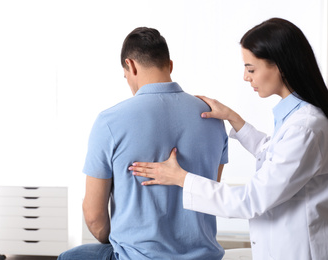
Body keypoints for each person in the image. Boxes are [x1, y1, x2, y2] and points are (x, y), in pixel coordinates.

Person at [129, 18, 328, 260]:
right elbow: (275, 156)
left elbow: (250, 200)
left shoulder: (306, 127)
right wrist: (235, 119)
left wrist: (181, 178)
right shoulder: (298, 120)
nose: (246, 77)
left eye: (251, 69)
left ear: (280, 66)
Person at [58, 27, 228, 260]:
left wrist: (124, 244)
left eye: (125, 73)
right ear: (169, 65)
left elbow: (94, 217)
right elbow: (209, 192)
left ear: (131, 65)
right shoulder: (213, 118)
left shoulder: (110, 121)